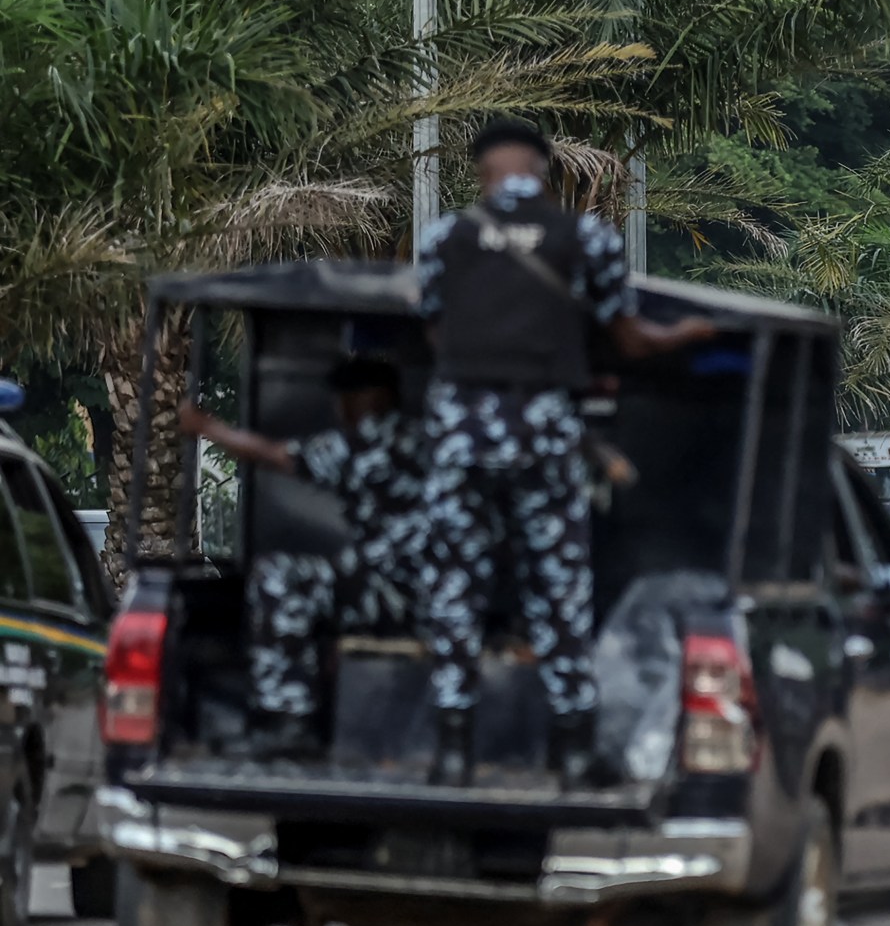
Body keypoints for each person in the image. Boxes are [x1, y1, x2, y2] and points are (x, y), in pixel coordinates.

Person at [416, 116, 713, 787]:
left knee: (454, 590)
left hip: (460, 436)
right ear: (543, 170)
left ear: (483, 171)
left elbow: (433, 331)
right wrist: (687, 335)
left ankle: (454, 750)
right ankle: (573, 751)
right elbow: (630, 340)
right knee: (556, 591)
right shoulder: (584, 239)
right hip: (545, 435)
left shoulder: (444, 238)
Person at [179, 357, 427, 760]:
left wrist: (206, 428)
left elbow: (280, 456)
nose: (340, 409)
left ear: (367, 400)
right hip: (446, 598)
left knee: (277, 576)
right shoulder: (422, 438)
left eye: (347, 398)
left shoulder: (370, 439)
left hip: (401, 597)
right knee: (331, 572)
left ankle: (288, 720)